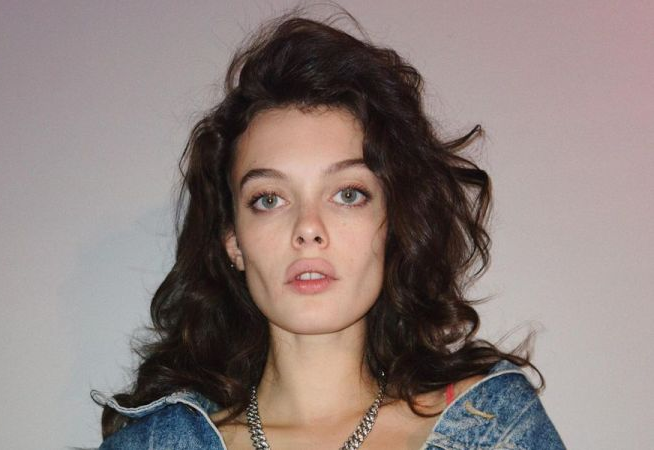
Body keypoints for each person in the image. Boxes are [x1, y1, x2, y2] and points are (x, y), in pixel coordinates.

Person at [91, 10, 565, 450]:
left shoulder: (495, 429)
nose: (308, 229)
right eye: (269, 199)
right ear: (233, 240)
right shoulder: (153, 443)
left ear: (393, 223)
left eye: (348, 194)